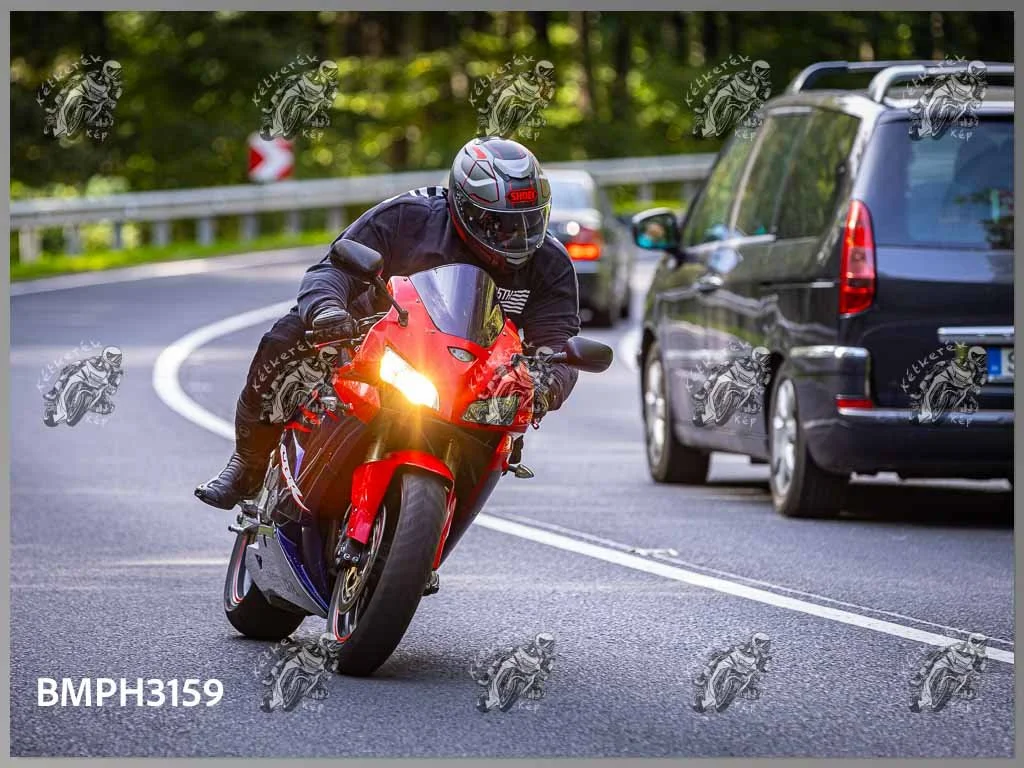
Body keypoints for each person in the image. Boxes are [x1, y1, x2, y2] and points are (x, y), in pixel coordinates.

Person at [195, 136, 581, 510]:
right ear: (463, 206)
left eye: (529, 221)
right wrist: (327, 311)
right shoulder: (407, 217)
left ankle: (439, 521)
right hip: (373, 341)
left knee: (506, 430)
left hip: (476, 377)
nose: (517, 236)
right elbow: (334, 268)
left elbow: (558, 341)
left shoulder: (550, 262)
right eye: (499, 223)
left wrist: (544, 386)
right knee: (288, 337)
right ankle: (247, 464)